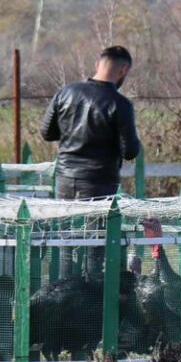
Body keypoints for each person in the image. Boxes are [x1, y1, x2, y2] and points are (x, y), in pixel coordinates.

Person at [39, 45, 141, 279]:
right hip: (99, 181)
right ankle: (91, 298)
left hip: (65, 178)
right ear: (123, 69)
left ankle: (66, 287)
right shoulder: (120, 104)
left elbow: (47, 133)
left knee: (65, 239)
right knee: (95, 244)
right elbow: (129, 151)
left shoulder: (65, 92)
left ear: (98, 64)